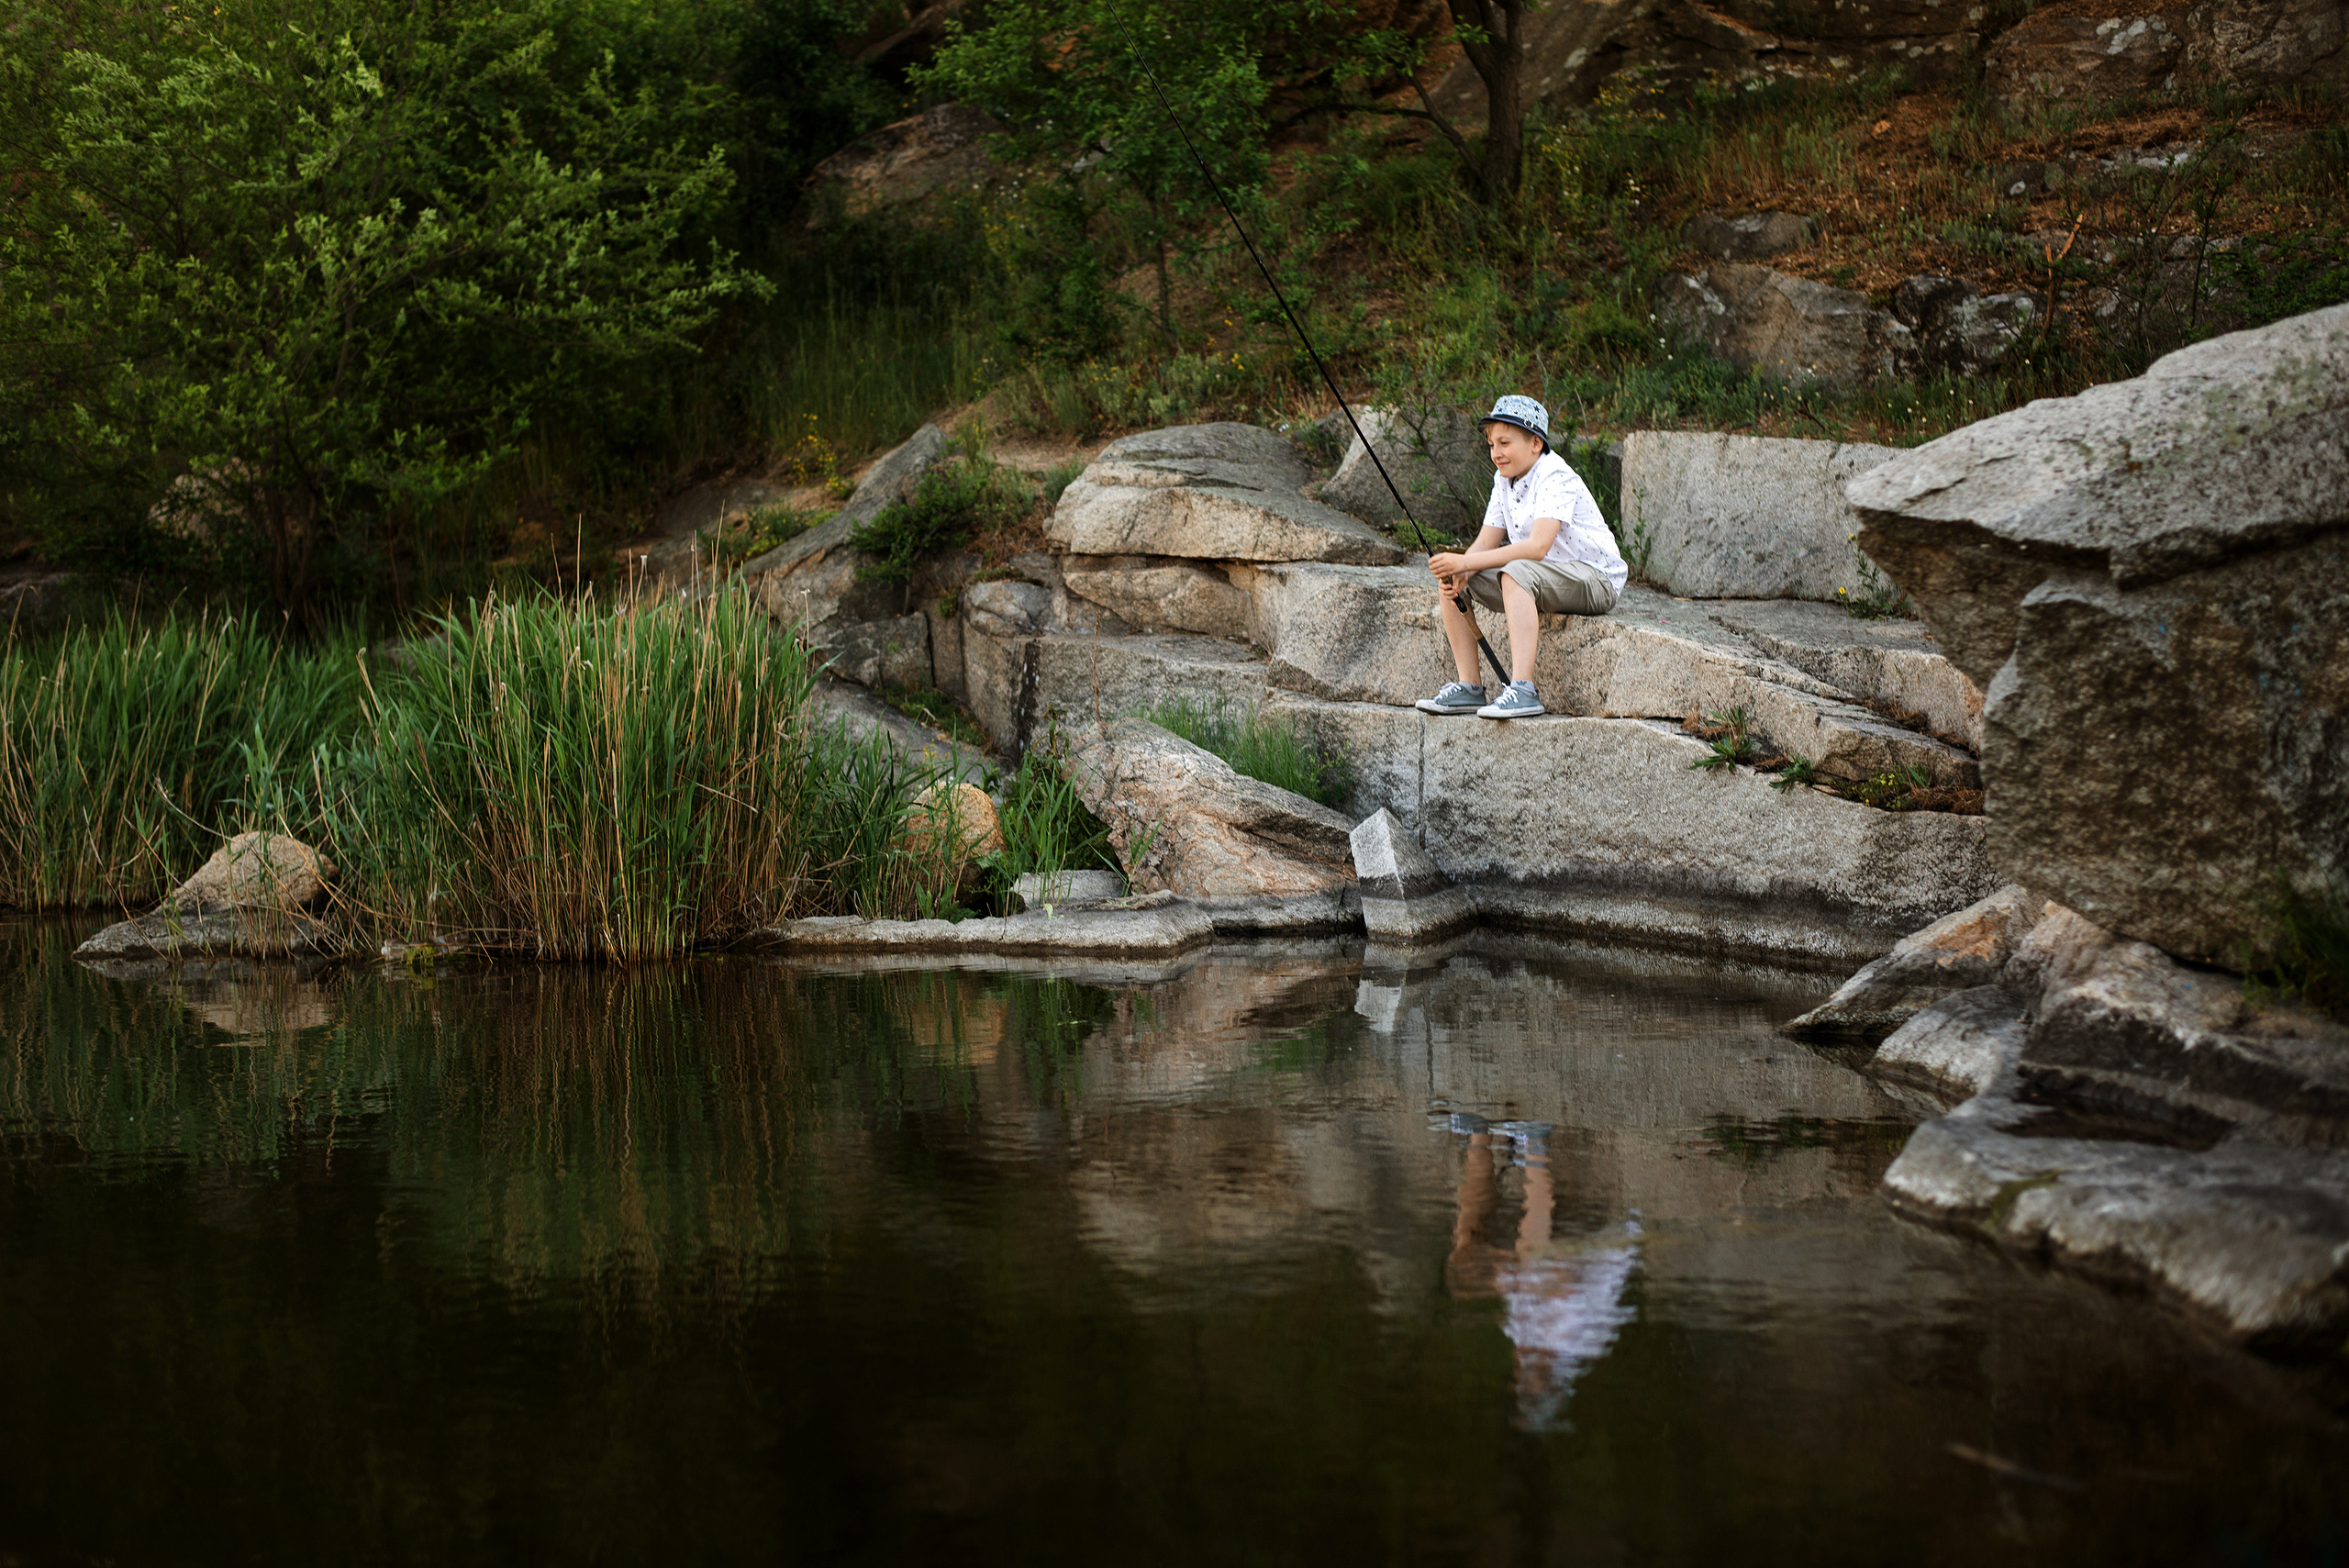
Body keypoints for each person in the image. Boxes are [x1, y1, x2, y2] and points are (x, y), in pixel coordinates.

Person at [1414, 395, 1625, 720]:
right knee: (1456, 581)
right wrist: (1460, 571)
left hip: (1595, 579)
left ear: (1536, 443)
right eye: (1491, 444)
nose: (1496, 452)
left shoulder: (1556, 476)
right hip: (1544, 576)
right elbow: (1485, 543)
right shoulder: (1503, 480)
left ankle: (1523, 690)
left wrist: (1466, 563)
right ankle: (1470, 687)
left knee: (1513, 571)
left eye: (1505, 443)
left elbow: (1537, 547)